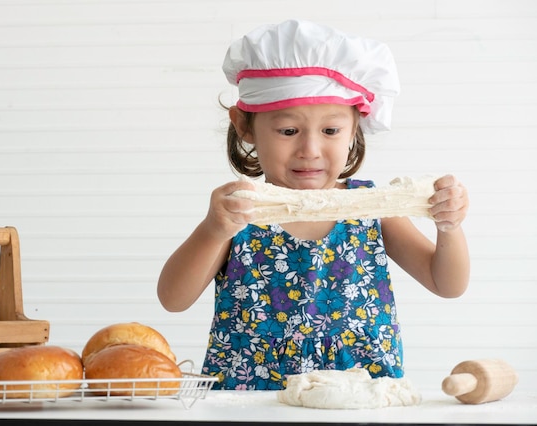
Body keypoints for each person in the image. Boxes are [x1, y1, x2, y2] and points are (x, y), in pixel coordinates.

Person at [157, 19, 470, 390]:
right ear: (244, 125)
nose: (310, 150)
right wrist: (214, 229)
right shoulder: (239, 212)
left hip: (359, 392)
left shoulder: (373, 208)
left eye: (331, 131)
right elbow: (173, 299)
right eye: (288, 131)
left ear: (355, 127)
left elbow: (446, 283)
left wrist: (449, 227)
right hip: (252, 399)